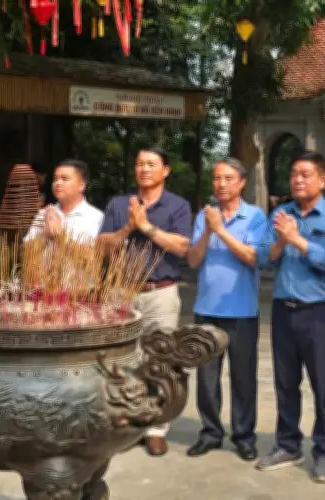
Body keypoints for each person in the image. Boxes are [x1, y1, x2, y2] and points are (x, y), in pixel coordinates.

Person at [254, 150, 325, 483]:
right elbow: (264, 259)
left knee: (322, 384)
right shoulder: (280, 214)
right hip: (284, 311)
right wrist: (282, 241)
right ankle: (288, 444)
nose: (297, 179)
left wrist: (296, 239)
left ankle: (324, 451)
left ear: (322, 180)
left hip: (319, 313)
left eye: (305, 174)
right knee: (285, 383)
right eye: (294, 173)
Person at [98, 146, 192, 457]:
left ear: (166, 170)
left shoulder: (177, 206)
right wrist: (129, 226)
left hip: (160, 292)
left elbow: (183, 248)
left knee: (160, 359)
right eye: (139, 163)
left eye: (151, 164)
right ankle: (128, 422)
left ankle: (157, 428)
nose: (144, 169)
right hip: (121, 292)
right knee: (122, 359)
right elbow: (102, 248)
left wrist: (147, 227)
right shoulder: (118, 204)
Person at [185, 158, 267, 462]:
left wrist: (220, 230)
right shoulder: (204, 216)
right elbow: (193, 260)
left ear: (242, 182)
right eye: (216, 178)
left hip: (242, 311)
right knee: (207, 377)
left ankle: (244, 436)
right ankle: (210, 432)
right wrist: (208, 230)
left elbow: (253, 257)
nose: (221, 184)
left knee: (243, 377)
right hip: (207, 308)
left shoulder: (255, 216)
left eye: (228, 178)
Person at [24, 160, 104, 243]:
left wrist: (59, 236)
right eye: (55, 179)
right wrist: (45, 235)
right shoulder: (44, 213)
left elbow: (94, 250)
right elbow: (25, 249)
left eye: (65, 179)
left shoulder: (96, 217)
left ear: (81, 185)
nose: (58, 183)